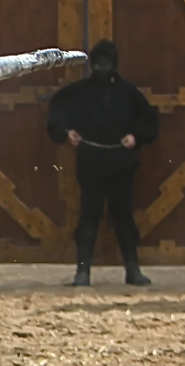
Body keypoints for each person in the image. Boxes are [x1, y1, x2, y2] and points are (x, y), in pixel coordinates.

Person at [47, 39, 159, 287]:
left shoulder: (127, 92)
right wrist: (67, 130)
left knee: (124, 217)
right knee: (89, 216)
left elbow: (149, 119)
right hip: (92, 161)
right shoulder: (80, 92)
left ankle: (132, 270)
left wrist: (136, 135)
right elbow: (57, 110)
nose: (103, 68)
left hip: (120, 161)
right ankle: (83, 272)